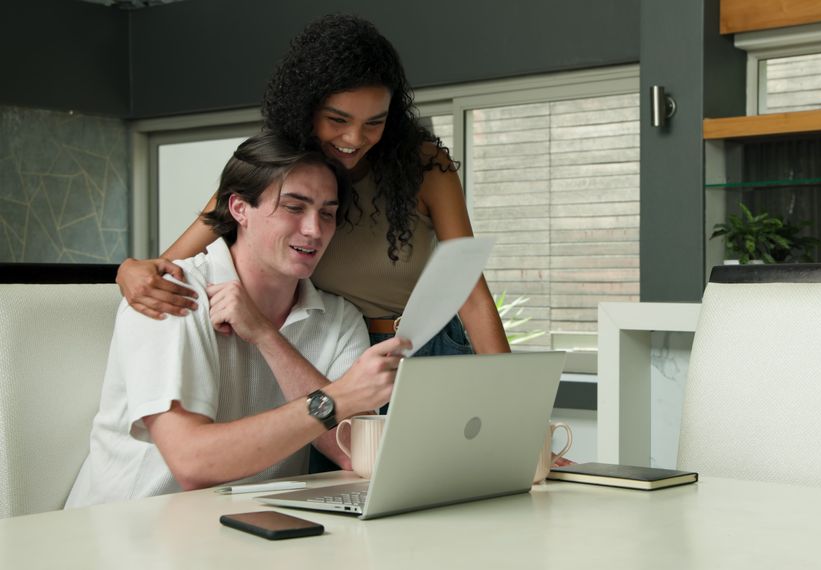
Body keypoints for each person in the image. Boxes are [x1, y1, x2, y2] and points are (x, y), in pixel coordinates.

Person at [115, 14, 509, 357]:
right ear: (306, 109)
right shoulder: (274, 173)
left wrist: (519, 414)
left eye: (374, 121)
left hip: (428, 349)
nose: (355, 138)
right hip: (328, 351)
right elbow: (171, 262)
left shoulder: (424, 166)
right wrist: (127, 272)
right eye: (337, 120)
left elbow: (471, 294)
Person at [65, 132, 410, 508]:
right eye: (294, 208)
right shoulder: (169, 294)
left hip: (245, 527)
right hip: (125, 531)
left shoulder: (340, 318)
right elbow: (192, 462)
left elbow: (356, 456)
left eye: (327, 213)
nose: (314, 229)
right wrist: (335, 397)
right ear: (239, 208)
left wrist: (265, 336)